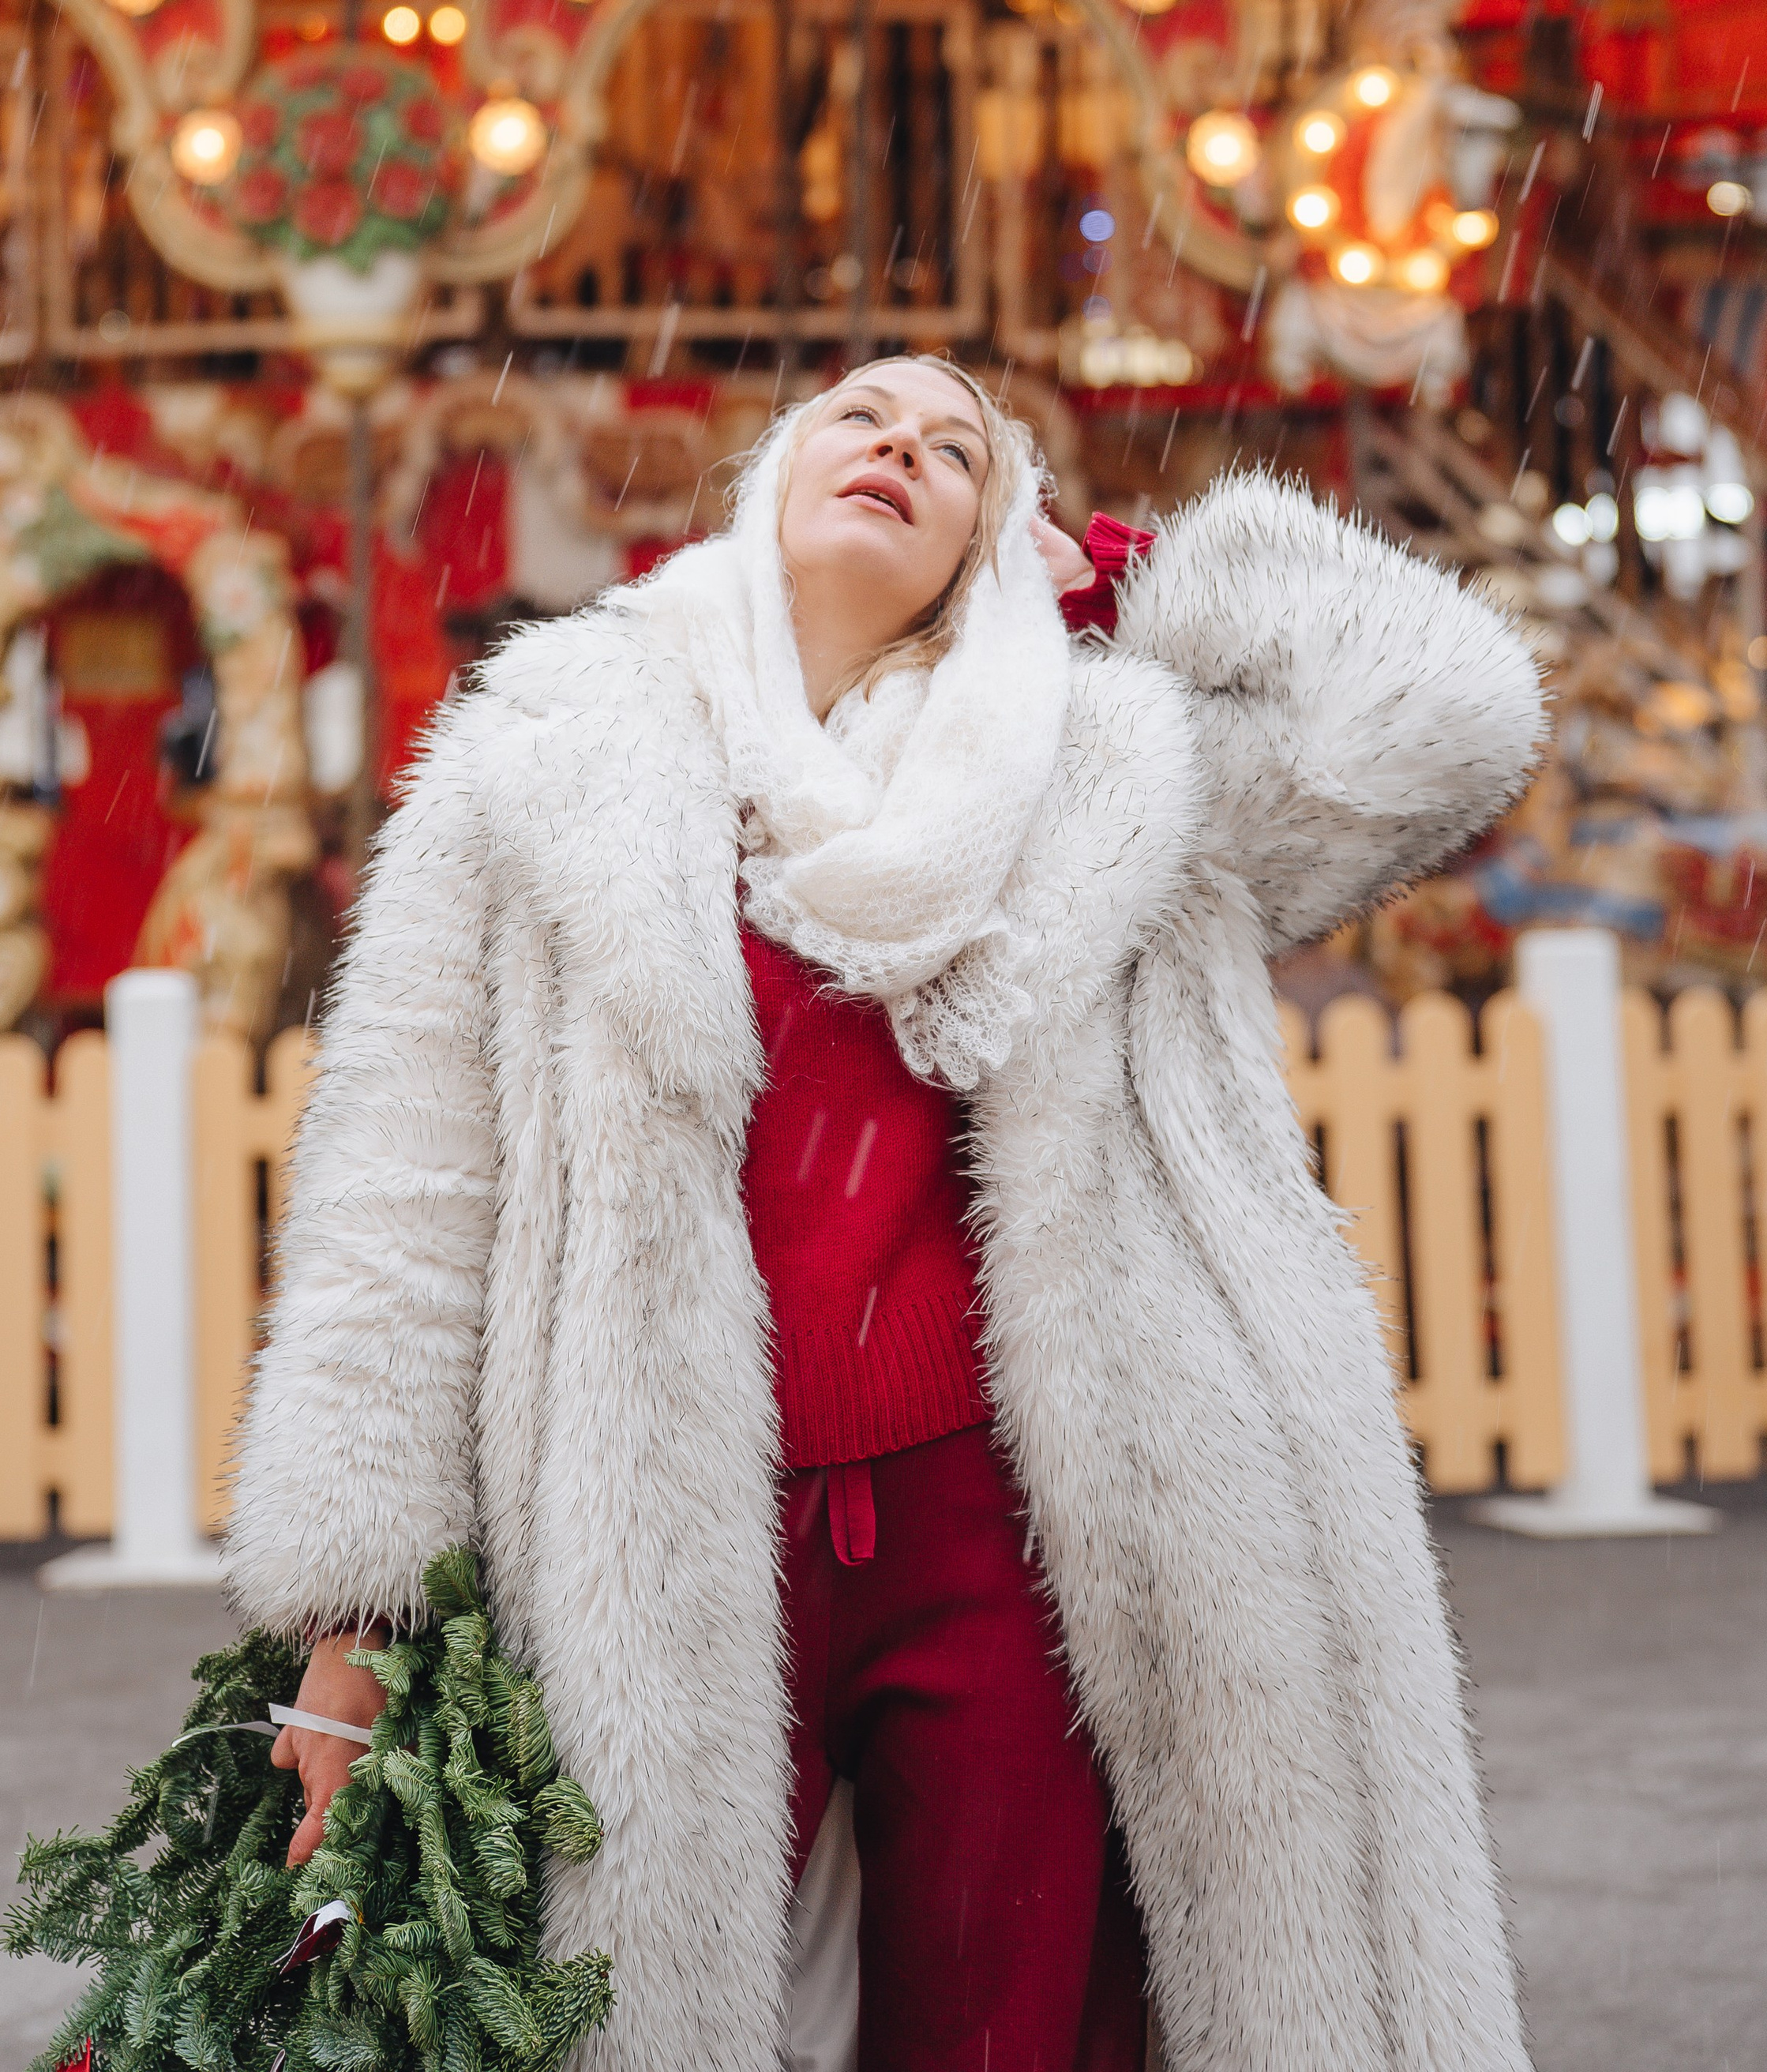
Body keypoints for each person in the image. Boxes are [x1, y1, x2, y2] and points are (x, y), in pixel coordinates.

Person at [228, 357, 1543, 2072]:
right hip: (652, 1520)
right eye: (861, 417)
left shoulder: (1114, 771)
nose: (899, 451)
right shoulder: (548, 753)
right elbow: (400, 1199)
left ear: (996, 539)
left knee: (1003, 2021)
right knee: (632, 2018)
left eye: (955, 454)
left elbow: (1438, 723)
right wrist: (358, 1610)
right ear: (771, 471)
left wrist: (1126, 570)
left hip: (1012, 1522)